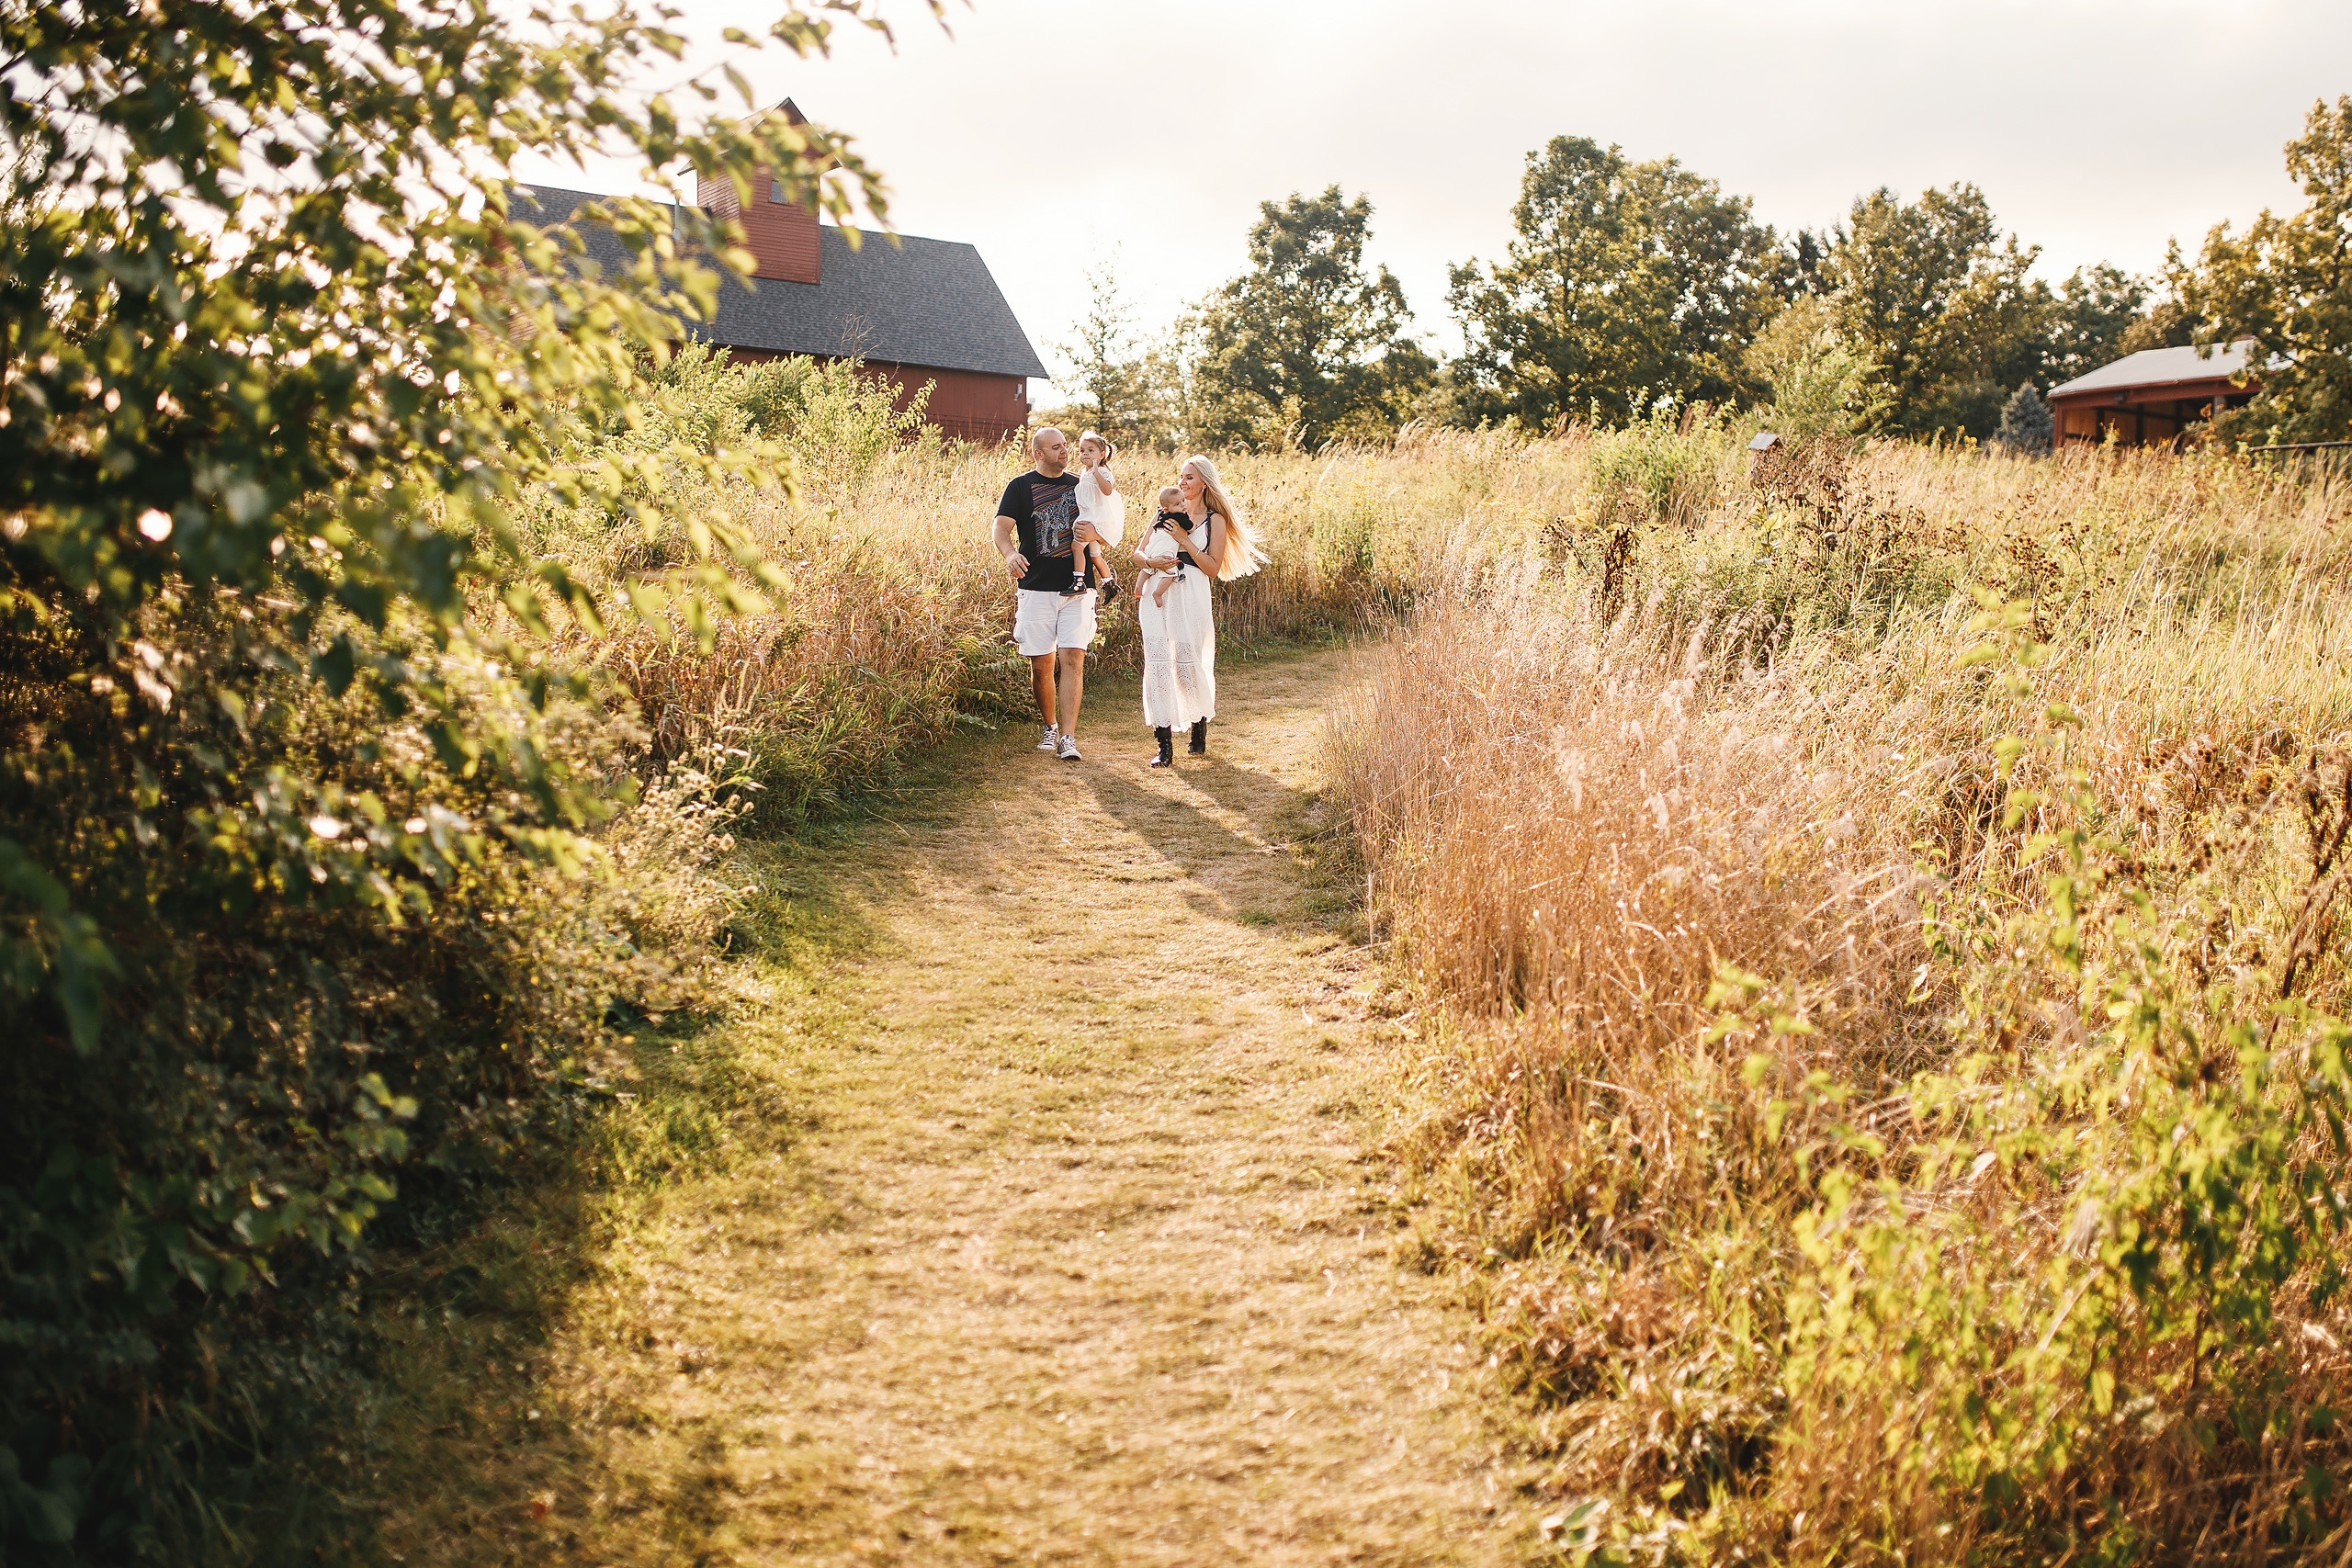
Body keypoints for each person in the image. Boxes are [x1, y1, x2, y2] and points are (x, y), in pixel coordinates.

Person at [1133, 454, 1265, 767]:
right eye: (1180, 476)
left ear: (1204, 482)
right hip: (1156, 591)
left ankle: (1198, 727)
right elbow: (1137, 554)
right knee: (1157, 661)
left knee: (1187, 663)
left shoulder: (1214, 520)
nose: (1182, 482)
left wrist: (1184, 541)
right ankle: (1164, 745)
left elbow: (1212, 567)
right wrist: (1152, 562)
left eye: (1189, 477)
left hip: (1191, 591)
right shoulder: (1162, 513)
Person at [993, 427, 1102, 761]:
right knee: (1042, 664)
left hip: (1078, 587)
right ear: (1038, 453)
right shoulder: (1020, 486)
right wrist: (1010, 554)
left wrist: (1097, 533)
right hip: (1035, 586)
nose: (1065, 452)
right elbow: (1000, 527)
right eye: (1056, 448)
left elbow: (1107, 527)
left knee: (1073, 658)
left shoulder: (1081, 485)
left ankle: (1068, 737)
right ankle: (1050, 725)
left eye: (1066, 446)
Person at [1063, 431, 1125, 601]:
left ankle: (1078, 581)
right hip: (1089, 516)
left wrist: (1097, 472)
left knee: (1076, 547)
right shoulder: (1085, 472)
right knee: (1095, 555)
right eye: (1082, 450)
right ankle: (1110, 584)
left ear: (1102, 454)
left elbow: (1107, 491)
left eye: (1091, 451)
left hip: (1094, 518)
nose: (1085, 454)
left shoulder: (1103, 472)